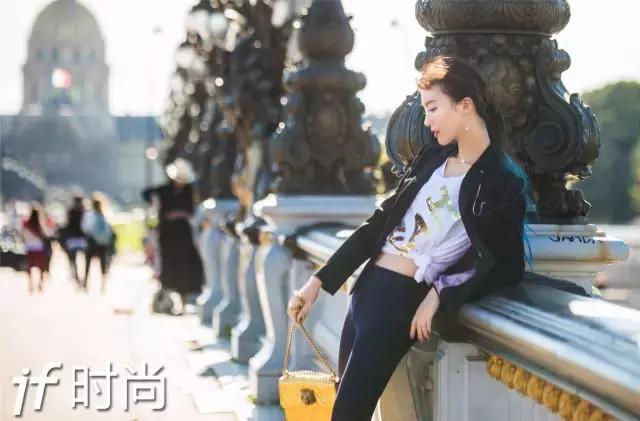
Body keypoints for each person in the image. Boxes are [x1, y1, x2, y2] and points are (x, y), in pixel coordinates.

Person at [286, 55, 530, 421]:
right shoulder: (432, 158)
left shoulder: (502, 180)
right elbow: (379, 223)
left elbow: (505, 265)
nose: (427, 121)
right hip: (366, 289)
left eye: (433, 108)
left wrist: (439, 293)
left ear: (465, 106)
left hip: (399, 302)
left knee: (346, 414)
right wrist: (317, 282)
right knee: (344, 407)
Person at [142, 158, 204, 313]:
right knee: (168, 267)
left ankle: (184, 301)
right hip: (167, 233)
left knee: (185, 267)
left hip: (183, 233)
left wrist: (180, 214)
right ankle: (167, 301)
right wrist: (155, 204)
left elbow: (191, 210)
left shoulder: (189, 191)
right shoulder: (164, 190)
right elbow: (146, 193)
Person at [81, 195, 112, 292]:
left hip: (92, 241)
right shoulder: (105, 214)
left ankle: (85, 283)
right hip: (103, 242)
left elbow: (85, 228)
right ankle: (103, 284)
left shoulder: (89, 215)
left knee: (88, 263)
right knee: (103, 263)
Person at [21, 203, 51, 294]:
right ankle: (40, 283)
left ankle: (31, 284)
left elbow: (23, 234)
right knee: (41, 266)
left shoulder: (26, 223)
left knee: (30, 266)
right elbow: (47, 234)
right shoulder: (40, 223)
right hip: (39, 248)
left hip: (29, 247)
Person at [61, 196, 87, 287]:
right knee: (83, 258)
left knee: (73, 259)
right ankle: (82, 277)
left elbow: (67, 224)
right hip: (82, 238)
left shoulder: (71, 211)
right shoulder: (84, 212)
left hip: (72, 238)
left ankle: (76, 276)